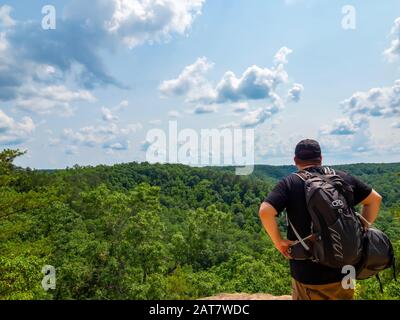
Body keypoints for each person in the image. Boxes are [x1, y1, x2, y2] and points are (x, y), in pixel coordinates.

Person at [258, 139, 382, 300]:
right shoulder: (341, 177)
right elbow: (375, 199)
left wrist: (279, 242)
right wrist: (362, 229)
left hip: (308, 272)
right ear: (320, 158)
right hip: (347, 269)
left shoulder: (290, 182)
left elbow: (265, 211)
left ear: (295, 160)